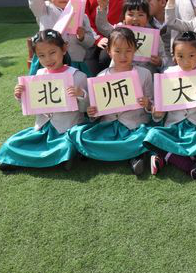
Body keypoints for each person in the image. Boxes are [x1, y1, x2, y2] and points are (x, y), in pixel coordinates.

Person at [66, 27, 154, 175]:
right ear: (109, 52)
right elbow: (96, 111)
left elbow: (152, 103)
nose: (123, 56)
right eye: (117, 51)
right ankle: (131, 153)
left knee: (148, 136)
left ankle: (133, 156)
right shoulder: (101, 77)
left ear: (135, 50)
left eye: (128, 50)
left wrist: (148, 104)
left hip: (134, 126)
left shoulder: (144, 74)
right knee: (79, 133)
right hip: (108, 126)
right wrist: (93, 112)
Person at [144, 31, 196, 186]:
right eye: (180, 56)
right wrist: (158, 113)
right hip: (174, 128)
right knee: (151, 136)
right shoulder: (167, 74)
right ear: (174, 56)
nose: (186, 61)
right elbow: (158, 112)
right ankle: (195, 167)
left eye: (191, 55)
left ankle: (167, 156)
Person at [0, 30, 88, 171]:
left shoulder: (78, 76)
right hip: (43, 128)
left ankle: (63, 155)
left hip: (67, 129)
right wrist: (20, 95)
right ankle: (53, 159)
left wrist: (81, 94)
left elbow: (87, 109)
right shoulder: (38, 76)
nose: (48, 59)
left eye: (52, 52)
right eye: (41, 55)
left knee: (66, 145)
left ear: (64, 48)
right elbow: (32, 105)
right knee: (11, 143)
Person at [95, 0, 165, 74]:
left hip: (145, 76)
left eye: (140, 15)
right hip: (120, 74)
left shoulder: (154, 36)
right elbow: (103, 26)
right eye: (131, 15)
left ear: (147, 18)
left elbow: (164, 57)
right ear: (124, 17)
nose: (135, 18)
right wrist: (102, 8)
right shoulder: (119, 31)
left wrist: (160, 62)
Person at [143, 0, 173, 67]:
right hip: (151, 63)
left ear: (162, 2)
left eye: (149, 0)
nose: (145, 5)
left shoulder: (176, 19)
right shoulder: (143, 23)